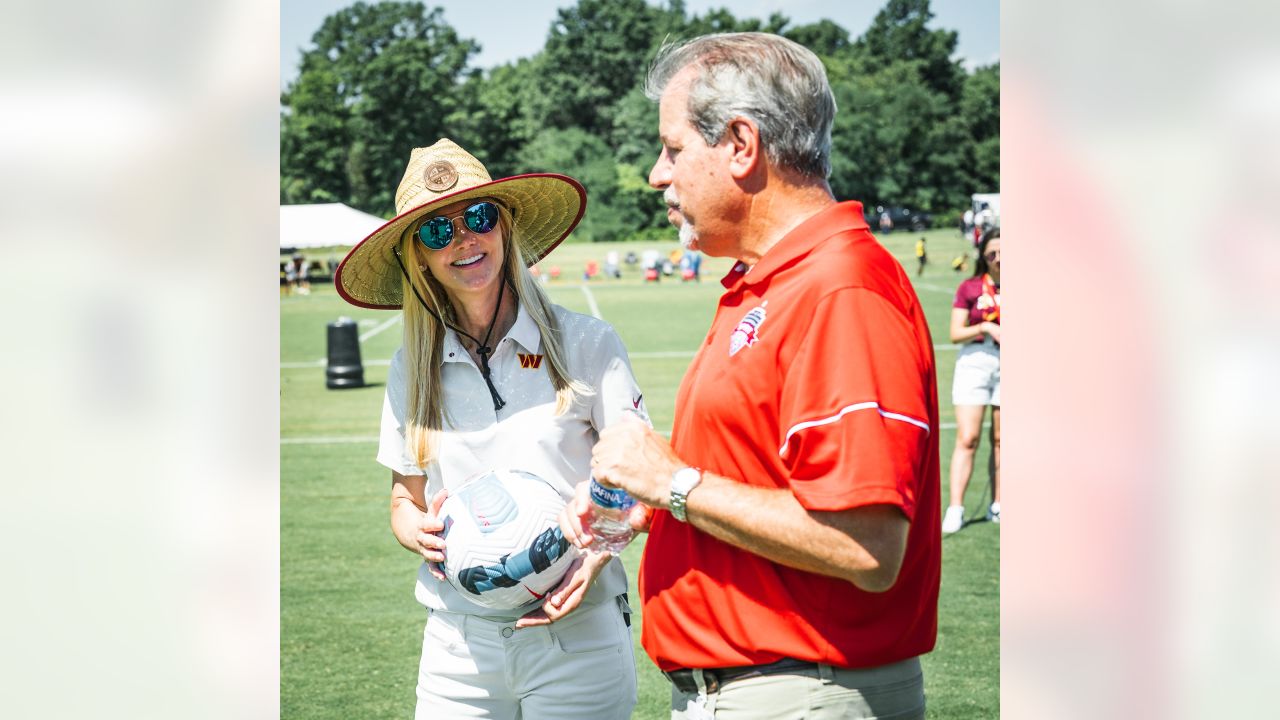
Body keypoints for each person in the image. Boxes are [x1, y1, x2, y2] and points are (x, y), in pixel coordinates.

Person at [563, 33, 940, 720]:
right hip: (760, 690)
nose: (656, 173)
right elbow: (762, 484)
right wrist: (649, 512)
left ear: (741, 144)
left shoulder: (838, 289)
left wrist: (672, 482)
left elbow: (865, 544)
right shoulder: (771, 283)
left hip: (801, 693)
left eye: (673, 149)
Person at [335, 138, 642, 720]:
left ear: (504, 227)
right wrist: (415, 529)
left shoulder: (588, 343)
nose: (463, 240)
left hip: (578, 634)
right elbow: (405, 495)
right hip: (458, 644)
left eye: (478, 217)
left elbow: (638, 478)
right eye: (436, 231)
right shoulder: (411, 366)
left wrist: (597, 549)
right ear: (418, 256)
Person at [941, 227, 1001, 534]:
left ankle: (999, 504)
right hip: (976, 360)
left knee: (1003, 440)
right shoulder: (971, 287)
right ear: (984, 256)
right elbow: (955, 333)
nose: (999, 259)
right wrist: (987, 329)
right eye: (993, 253)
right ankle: (956, 508)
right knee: (968, 438)